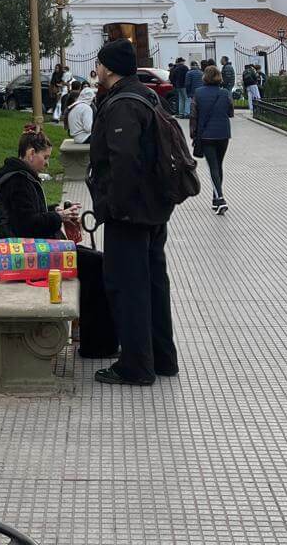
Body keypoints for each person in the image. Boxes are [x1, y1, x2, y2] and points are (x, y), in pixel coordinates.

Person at [88, 38, 178, 386]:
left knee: (129, 285)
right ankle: (162, 358)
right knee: (154, 282)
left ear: (108, 68)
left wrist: (112, 206)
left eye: (98, 64)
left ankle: (136, 365)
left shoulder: (122, 104)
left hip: (130, 212)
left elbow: (124, 160)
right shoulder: (148, 96)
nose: (95, 70)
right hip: (154, 208)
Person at [0, 128, 81, 239]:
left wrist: (54, 210)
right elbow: (27, 225)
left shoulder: (23, 178)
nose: (47, 163)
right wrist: (59, 217)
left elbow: (28, 214)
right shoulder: (18, 181)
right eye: (45, 157)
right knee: (97, 257)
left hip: (28, 245)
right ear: (32, 153)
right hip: (24, 250)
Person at [191, 64, 234, 213]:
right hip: (223, 134)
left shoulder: (198, 93)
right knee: (219, 165)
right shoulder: (225, 93)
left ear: (205, 77)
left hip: (206, 135)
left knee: (213, 167)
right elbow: (230, 112)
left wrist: (193, 134)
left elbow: (194, 116)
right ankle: (216, 199)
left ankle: (220, 198)